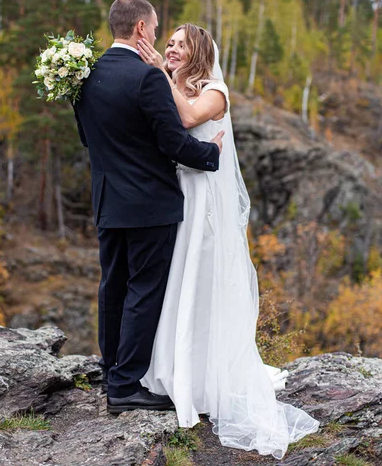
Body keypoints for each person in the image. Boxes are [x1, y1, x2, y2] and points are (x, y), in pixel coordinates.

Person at [137, 24, 320, 459]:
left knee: (200, 281)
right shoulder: (166, 85)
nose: (171, 49)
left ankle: (204, 379)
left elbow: (186, 119)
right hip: (172, 194)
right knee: (172, 282)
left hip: (202, 201)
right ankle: (170, 369)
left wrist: (161, 76)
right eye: (169, 44)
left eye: (180, 45)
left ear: (199, 52)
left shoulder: (215, 91)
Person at [73, 0, 225, 414]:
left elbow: (90, 138)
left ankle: (111, 369)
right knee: (143, 289)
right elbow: (173, 142)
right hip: (150, 203)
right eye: (156, 27)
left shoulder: (84, 74)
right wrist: (211, 155)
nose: (158, 35)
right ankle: (124, 386)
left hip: (107, 200)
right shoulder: (148, 78)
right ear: (141, 28)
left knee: (113, 286)